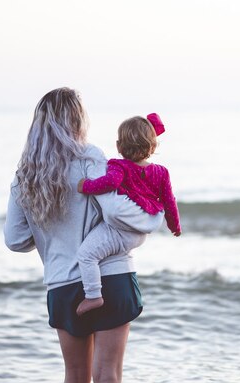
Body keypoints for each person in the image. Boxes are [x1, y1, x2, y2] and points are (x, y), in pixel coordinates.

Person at [4, 87, 160, 383]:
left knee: (74, 381)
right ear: (76, 119)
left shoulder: (25, 177)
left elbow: (15, 239)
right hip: (110, 276)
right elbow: (115, 211)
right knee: (108, 378)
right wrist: (152, 218)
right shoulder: (89, 157)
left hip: (61, 284)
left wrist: (53, 237)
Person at [75, 113, 181, 315]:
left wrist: (86, 186)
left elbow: (109, 183)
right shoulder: (161, 172)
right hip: (139, 235)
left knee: (87, 255)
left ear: (118, 145)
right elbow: (169, 201)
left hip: (119, 231)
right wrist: (175, 226)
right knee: (105, 251)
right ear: (153, 146)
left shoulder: (119, 166)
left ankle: (93, 296)